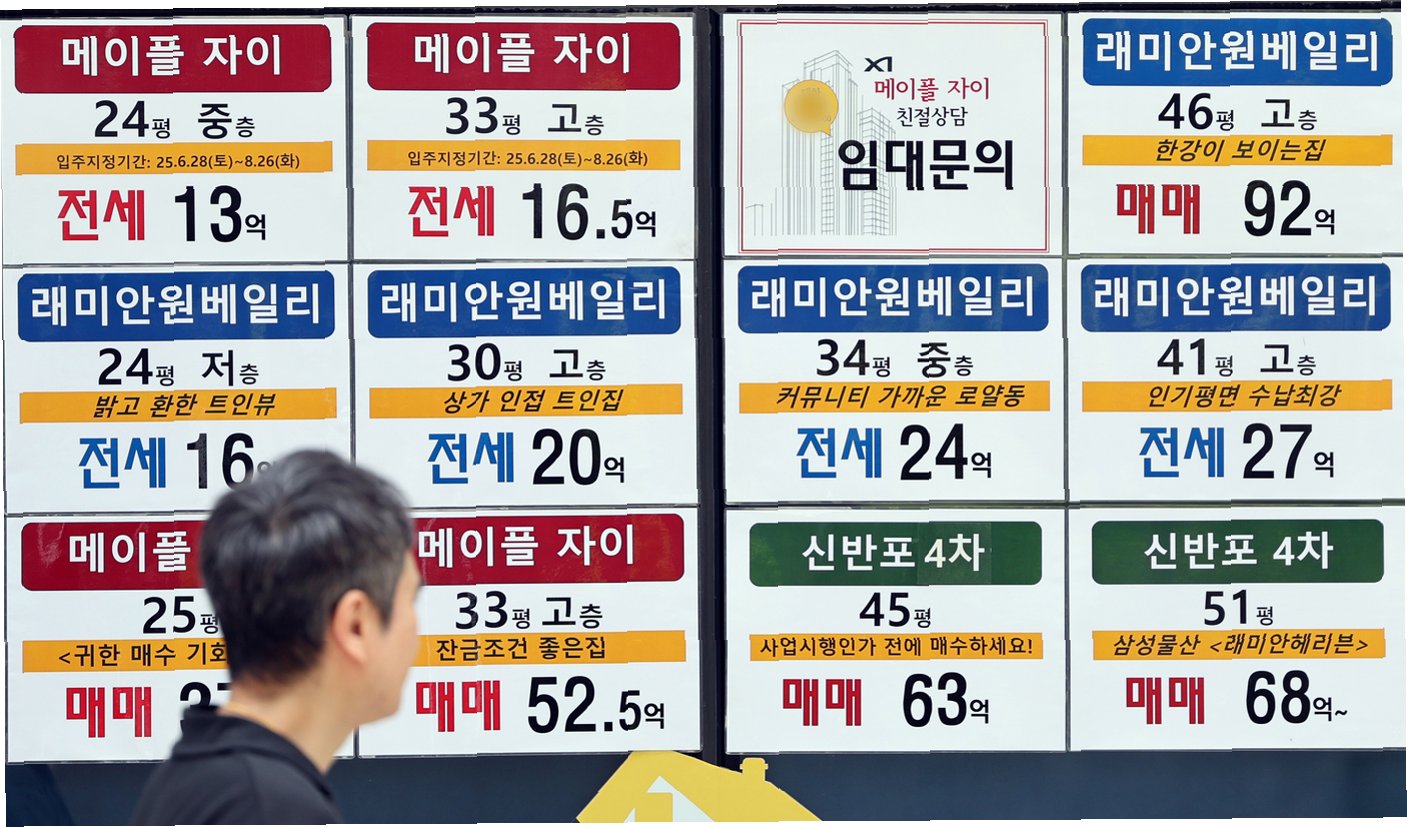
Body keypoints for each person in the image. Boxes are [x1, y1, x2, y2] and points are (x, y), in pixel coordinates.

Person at [131, 450, 420, 825]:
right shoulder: (271, 810)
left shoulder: (196, 784)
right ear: (355, 625)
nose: (415, 627)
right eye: (410, 599)